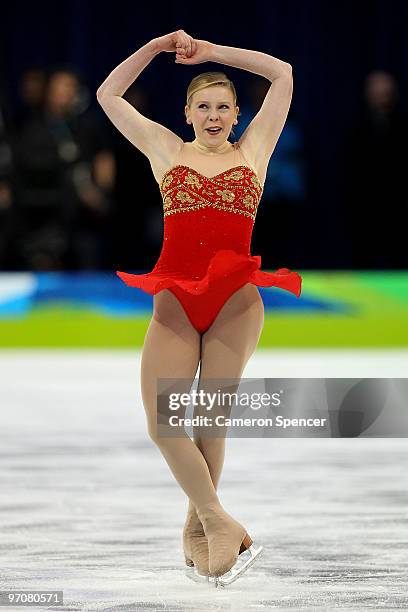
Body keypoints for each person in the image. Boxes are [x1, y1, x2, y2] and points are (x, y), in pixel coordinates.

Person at [97, 30, 302, 586]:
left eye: (223, 107)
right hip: (175, 301)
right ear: (187, 113)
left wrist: (213, 54)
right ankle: (216, 519)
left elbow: (281, 71)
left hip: (235, 301)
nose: (213, 116)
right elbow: (108, 96)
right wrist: (154, 49)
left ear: (237, 114)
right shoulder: (167, 151)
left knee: (210, 422)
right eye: (203, 106)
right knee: (164, 423)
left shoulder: (252, 152)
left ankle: (197, 528)